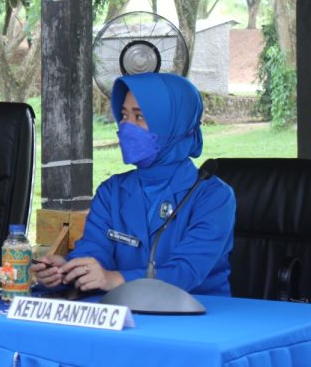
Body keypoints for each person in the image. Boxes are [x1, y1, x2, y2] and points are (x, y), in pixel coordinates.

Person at [33, 73, 236, 296]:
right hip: (124, 313)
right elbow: (95, 251)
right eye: (123, 115)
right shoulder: (112, 191)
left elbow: (185, 271)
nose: (126, 126)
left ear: (172, 125)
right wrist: (66, 271)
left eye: (139, 117)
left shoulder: (213, 196)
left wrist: (114, 279)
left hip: (200, 318)